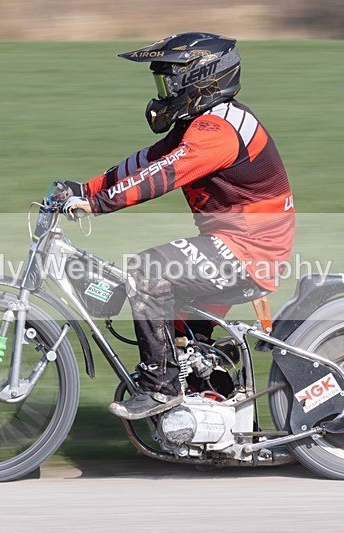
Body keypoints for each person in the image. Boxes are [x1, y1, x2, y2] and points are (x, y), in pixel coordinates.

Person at [59, 32, 295, 420]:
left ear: (201, 78)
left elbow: (160, 175)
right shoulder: (204, 122)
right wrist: (84, 188)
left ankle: (159, 387)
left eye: (170, 80)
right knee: (180, 335)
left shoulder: (217, 131)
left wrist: (95, 204)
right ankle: (207, 397)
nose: (163, 91)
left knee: (147, 272)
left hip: (250, 250)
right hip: (232, 244)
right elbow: (141, 163)